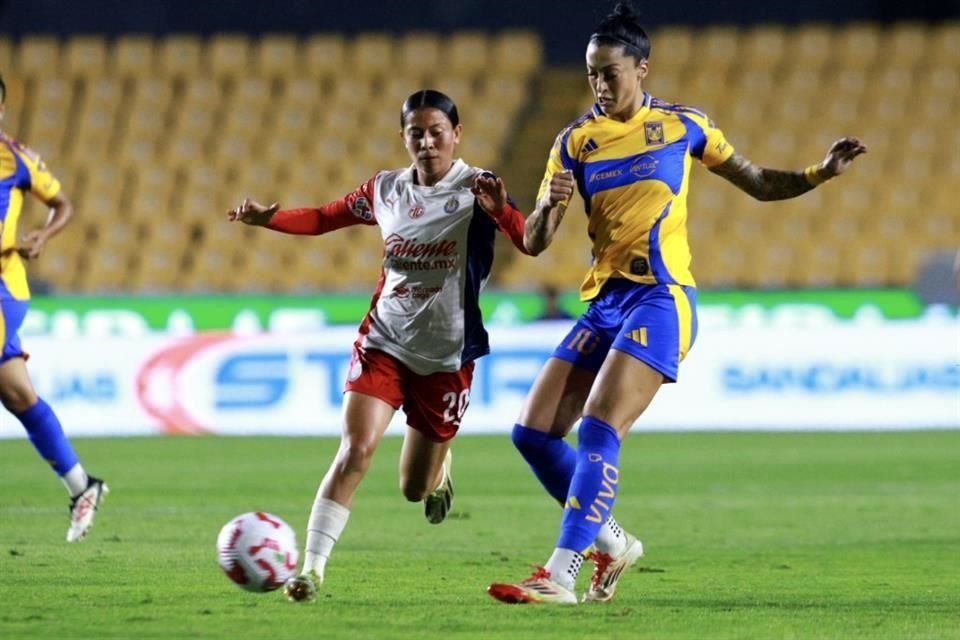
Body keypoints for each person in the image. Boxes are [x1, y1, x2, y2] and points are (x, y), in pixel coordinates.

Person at [488, 3, 867, 605]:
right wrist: (550, 205)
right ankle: (612, 542)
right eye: (591, 74)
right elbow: (533, 243)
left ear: (642, 67)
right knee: (531, 434)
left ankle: (559, 573)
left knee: (599, 427)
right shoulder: (574, 142)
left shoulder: (684, 125)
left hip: (662, 299)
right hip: (605, 300)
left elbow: (758, 182)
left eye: (610, 72)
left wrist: (818, 172)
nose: (599, 85)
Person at [228, 89, 530, 603]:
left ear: (457, 135)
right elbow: (325, 217)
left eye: (438, 131)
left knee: (414, 488)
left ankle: (439, 473)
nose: (428, 141)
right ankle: (312, 570)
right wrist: (269, 219)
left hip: (446, 356)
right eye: (417, 132)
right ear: (404, 137)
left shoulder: (478, 189)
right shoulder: (385, 189)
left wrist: (502, 211)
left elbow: (527, 239)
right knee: (355, 449)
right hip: (384, 341)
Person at [0, 74, 109, 542]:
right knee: (18, 395)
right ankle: (83, 486)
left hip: (2, 285)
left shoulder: (15, 156)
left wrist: (43, 233)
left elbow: (62, 203)